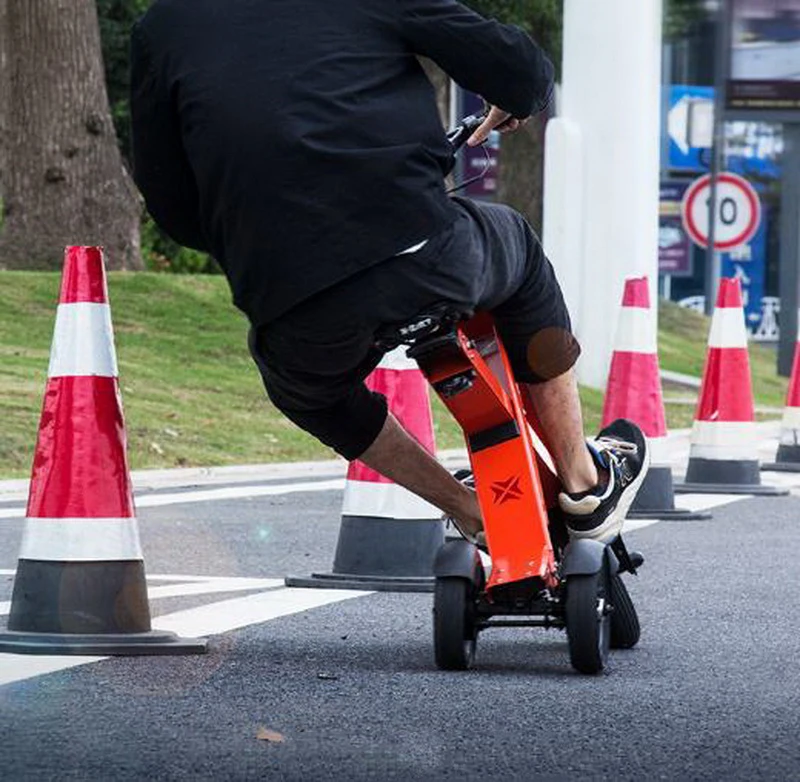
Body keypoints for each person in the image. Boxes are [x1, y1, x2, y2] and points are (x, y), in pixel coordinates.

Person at [130, 0, 649, 545]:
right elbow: (518, 68)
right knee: (518, 250)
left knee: (312, 394)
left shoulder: (162, 27)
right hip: (423, 249)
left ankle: (467, 508)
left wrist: (258, 242)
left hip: (293, 298)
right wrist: (518, 98)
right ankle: (583, 483)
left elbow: (169, 200)